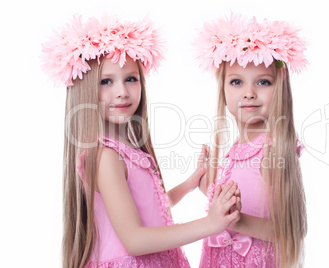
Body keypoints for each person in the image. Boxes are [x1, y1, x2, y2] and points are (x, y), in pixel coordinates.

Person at [42, 14, 241, 268]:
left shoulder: (125, 152)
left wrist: (188, 185)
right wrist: (210, 224)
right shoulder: (106, 157)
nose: (122, 91)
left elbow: (147, 212)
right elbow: (134, 239)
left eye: (131, 79)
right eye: (106, 81)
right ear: (85, 87)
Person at [195, 13, 308, 267]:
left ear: (279, 87)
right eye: (236, 82)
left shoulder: (274, 147)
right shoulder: (235, 149)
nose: (249, 93)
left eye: (263, 82)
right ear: (222, 89)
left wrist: (237, 220)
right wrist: (211, 191)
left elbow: (293, 228)